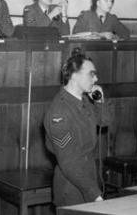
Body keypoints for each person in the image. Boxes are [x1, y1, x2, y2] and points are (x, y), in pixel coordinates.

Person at [44, 48, 105, 207]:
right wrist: (94, 194)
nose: (96, 78)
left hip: (88, 179)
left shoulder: (84, 101)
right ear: (74, 75)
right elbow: (69, 162)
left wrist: (99, 101)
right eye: (91, 74)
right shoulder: (59, 112)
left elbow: (105, 121)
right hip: (71, 188)